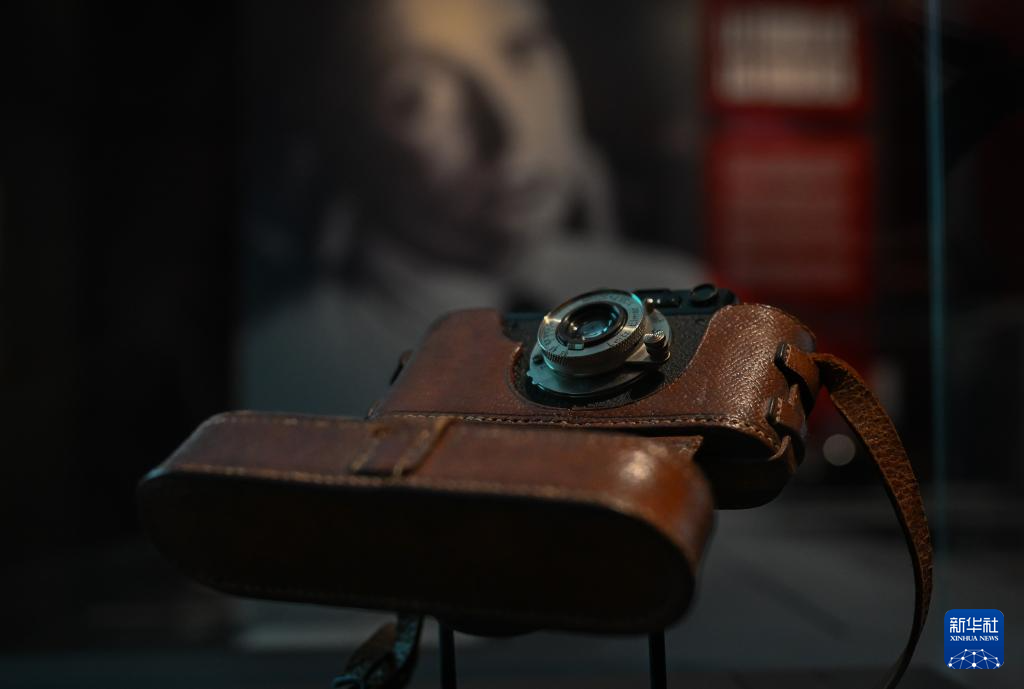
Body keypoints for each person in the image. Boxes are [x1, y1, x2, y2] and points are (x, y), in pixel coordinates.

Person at [242, 0, 704, 415]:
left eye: (522, 49)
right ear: (343, 138)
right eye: (416, 98)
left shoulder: (671, 289)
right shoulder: (287, 365)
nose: (512, 135)